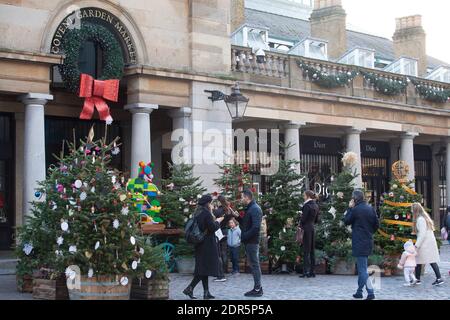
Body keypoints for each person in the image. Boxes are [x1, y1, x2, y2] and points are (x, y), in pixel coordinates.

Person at [183, 194, 224, 300]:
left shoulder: (197, 212)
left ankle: (206, 292)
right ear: (207, 204)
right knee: (203, 269)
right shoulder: (206, 213)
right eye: (210, 203)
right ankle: (189, 288)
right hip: (207, 244)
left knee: (203, 268)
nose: (211, 205)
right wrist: (218, 222)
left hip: (199, 243)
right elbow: (212, 227)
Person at [344, 190, 379, 300]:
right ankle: (359, 292)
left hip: (359, 241)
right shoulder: (370, 208)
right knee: (362, 267)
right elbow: (376, 225)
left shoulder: (355, 210)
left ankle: (370, 292)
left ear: (355, 199)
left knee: (362, 269)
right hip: (368, 240)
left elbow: (346, 221)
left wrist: (349, 208)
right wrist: (369, 232)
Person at [411, 203, 444, 286]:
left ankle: (438, 278)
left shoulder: (420, 219)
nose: (411, 212)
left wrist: (416, 245)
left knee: (427, 260)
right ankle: (418, 279)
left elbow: (422, 234)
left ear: (415, 211)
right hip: (427, 243)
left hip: (425, 244)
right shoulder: (423, 218)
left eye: (412, 210)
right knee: (421, 260)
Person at [240, 189, 263, 297]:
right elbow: (247, 223)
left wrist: (244, 236)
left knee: (254, 265)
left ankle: (258, 289)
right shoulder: (250, 208)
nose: (241, 199)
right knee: (254, 264)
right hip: (249, 241)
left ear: (247, 197)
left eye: (242, 197)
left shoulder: (254, 209)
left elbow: (256, 227)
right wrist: (237, 217)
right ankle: (257, 288)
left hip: (252, 242)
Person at [213, 195, 239, 282]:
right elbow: (235, 215)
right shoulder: (228, 210)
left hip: (218, 231)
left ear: (219, 202)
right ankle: (225, 269)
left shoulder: (218, 211)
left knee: (218, 252)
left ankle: (220, 272)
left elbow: (214, 217)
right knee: (224, 251)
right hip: (225, 231)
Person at [298, 190, 320, 278]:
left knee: (306, 250)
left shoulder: (306, 206)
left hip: (306, 229)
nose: (303, 197)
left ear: (307, 196)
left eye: (304, 195)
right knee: (312, 250)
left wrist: (300, 216)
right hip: (312, 228)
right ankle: (312, 271)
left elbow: (303, 219)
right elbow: (317, 220)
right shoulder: (315, 205)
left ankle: (305, 271)